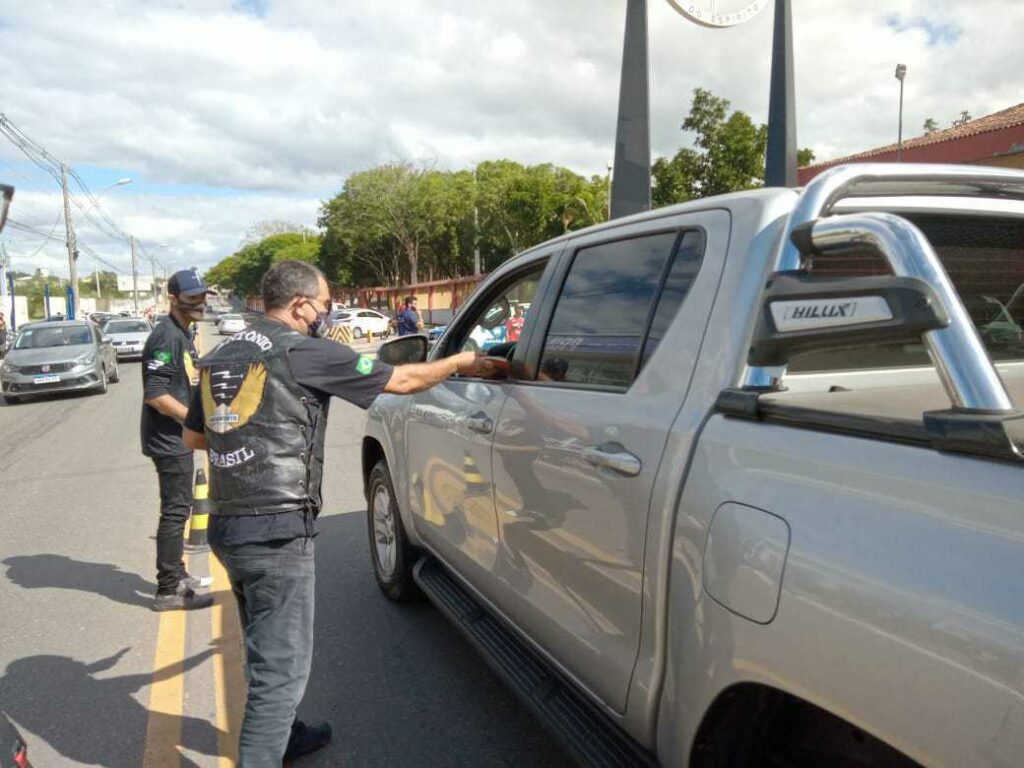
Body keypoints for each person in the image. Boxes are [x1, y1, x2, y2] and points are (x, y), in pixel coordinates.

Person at [182, 260, 503, 766]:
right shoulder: (304, 352)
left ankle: (285, 736)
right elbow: (401, 381)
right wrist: (461, 363)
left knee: (262, 645)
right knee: (282, 669)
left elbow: (195, 436)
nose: (326, 313)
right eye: (325, 304)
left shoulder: (220, 354)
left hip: (227, 522)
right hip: (277, 527)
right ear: (300, 304)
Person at [140, 268, 215, 612]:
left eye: (202, 296)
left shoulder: (184, 332)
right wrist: (197, 422)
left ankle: (178, 573)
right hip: (169, 440)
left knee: (180, 509)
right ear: (173, 298)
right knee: (175, 512)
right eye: (191, 298)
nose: (199, 303)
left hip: (178, 438)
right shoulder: (166, 337)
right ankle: (167, 589)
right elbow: (155, 395)